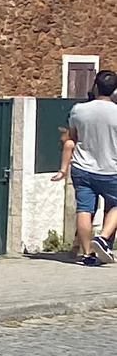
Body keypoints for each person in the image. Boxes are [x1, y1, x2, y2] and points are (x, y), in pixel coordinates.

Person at [57, 68, 117, 264]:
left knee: (84, 210)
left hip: (82, 168)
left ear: (95, 86)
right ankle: (103, 238)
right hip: (111, 169)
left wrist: (63, 168)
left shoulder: (79, 110)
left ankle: (88, 254)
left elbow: (71, 138)